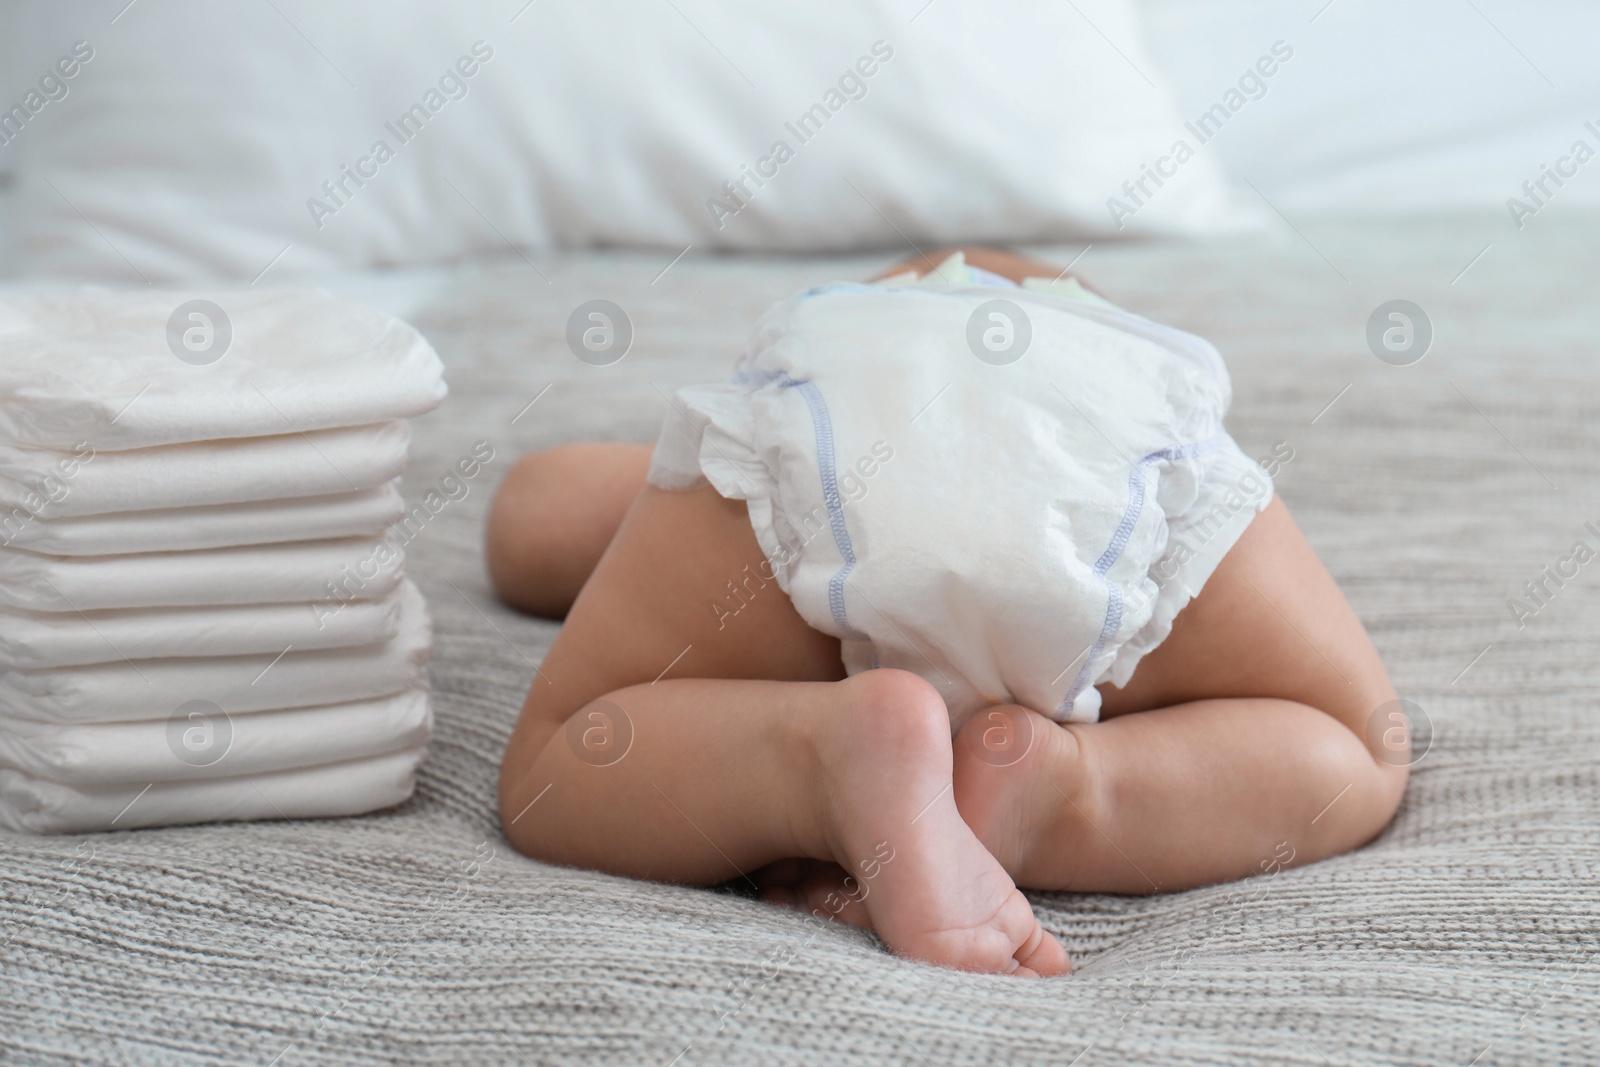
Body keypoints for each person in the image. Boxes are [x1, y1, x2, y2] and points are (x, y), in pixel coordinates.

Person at [486, 248, 1406, 978]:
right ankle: (1054, 794)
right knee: (1358, 745)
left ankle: (823, 756)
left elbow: (529, 517)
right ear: (1084, 304)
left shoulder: (841, 352)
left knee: (561, 754)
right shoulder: (1133, 365)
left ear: (896, 289)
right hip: (1117, 464)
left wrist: (627, 515)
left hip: (846, 443)